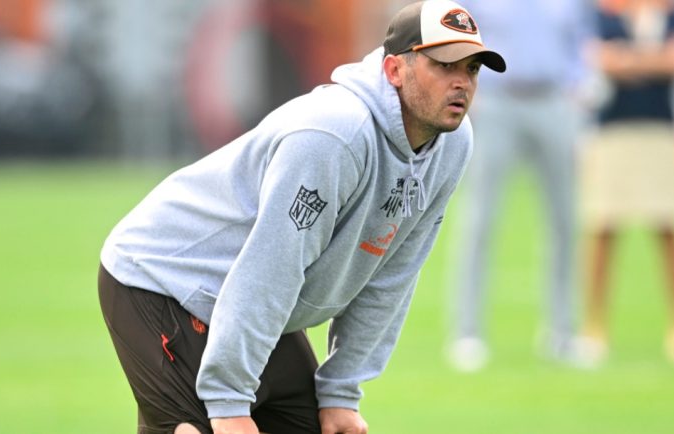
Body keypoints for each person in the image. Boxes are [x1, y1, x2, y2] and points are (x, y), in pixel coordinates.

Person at [97, 1, 505, 433]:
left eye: (473, 68)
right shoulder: (333, 136)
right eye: (444, 66)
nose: (462, 82)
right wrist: (229, 403)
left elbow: (392, 276)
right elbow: (272, 268)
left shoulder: (453, 144)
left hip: (250, 301)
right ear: (394, 71)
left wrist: (341, 392)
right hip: (162, 276)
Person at [447, 0, 595, 371]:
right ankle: (467, 333)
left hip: (554, 99)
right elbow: (458, 32)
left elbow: (582, 38)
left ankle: (562, 333)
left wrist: (580, 85)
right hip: (497, 101)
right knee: (479, 220)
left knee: (564, 221)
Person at [578, 0, 674, 367]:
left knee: (670, 227)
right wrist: (653, 60)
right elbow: (601, 61)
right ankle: (595, 327)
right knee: (603, 228)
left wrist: (630, 61)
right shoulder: (604, 13)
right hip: (612, 132)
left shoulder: (671, 12)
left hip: (660, 132)